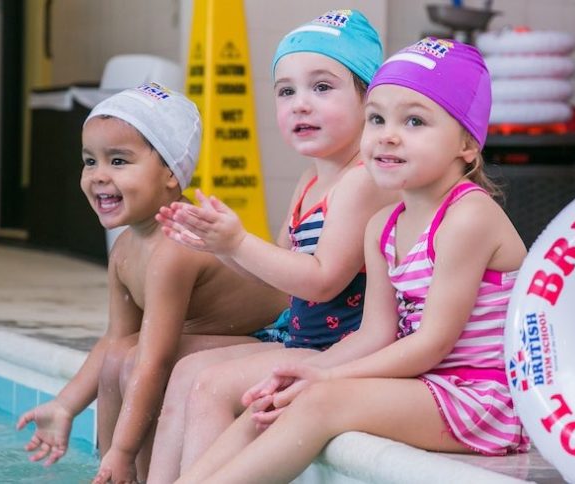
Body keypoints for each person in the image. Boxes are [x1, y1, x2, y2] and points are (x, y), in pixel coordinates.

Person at [177, 37, 531, 483]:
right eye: (377, 118)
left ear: (466, 143)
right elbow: (375, 333)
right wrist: (310, 371)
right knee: (276, 398)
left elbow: (432, 344)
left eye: (415, 121)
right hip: (423, 386)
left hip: (479, 397)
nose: (388, 134)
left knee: (319, 402)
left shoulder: (468, 216)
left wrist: (328, 381)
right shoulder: (383, 225)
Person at [148, 9, 395, 482]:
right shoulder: (310, 179)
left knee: (213, 386)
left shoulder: (362, 180)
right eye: (286, 91)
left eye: (321, 87)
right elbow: (280, 272)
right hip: (303, 339)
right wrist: (216, 245)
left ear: (369, 99)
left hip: (340, 349)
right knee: (186, 372)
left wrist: (238, 242)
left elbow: (322, 281)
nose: (300, 103)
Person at [14, 82, 288, 483]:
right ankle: (108, 472)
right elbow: (114, 341)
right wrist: (65, 405)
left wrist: (126, 450)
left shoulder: (175, 246)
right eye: (90, 161)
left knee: (134, 360)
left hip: (273, 338)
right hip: (222, 341)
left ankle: (129, 467)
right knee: (118, 356)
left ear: (170, 175)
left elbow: (153, 360)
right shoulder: (125, 248)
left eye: (119, 161)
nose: (99, 176)